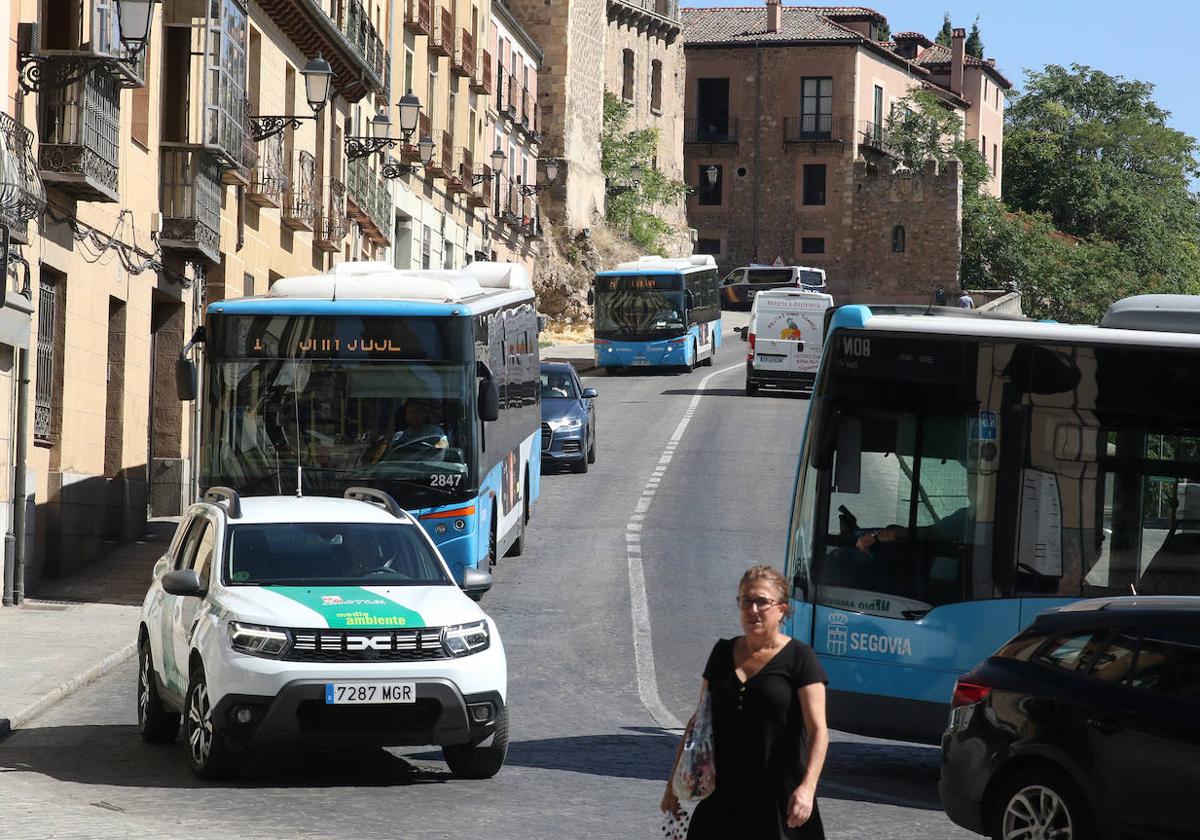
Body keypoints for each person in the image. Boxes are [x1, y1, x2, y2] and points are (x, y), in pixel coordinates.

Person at [662, 565, 829, 839]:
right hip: (723, 798)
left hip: (779, 802)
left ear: (782, 609)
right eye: (745, 600)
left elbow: (819, 732)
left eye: (762, 601)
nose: (752, 609)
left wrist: (807, 789)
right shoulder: (722, 652)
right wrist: (673, 786)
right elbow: (698, 722)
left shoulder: (801, 659)